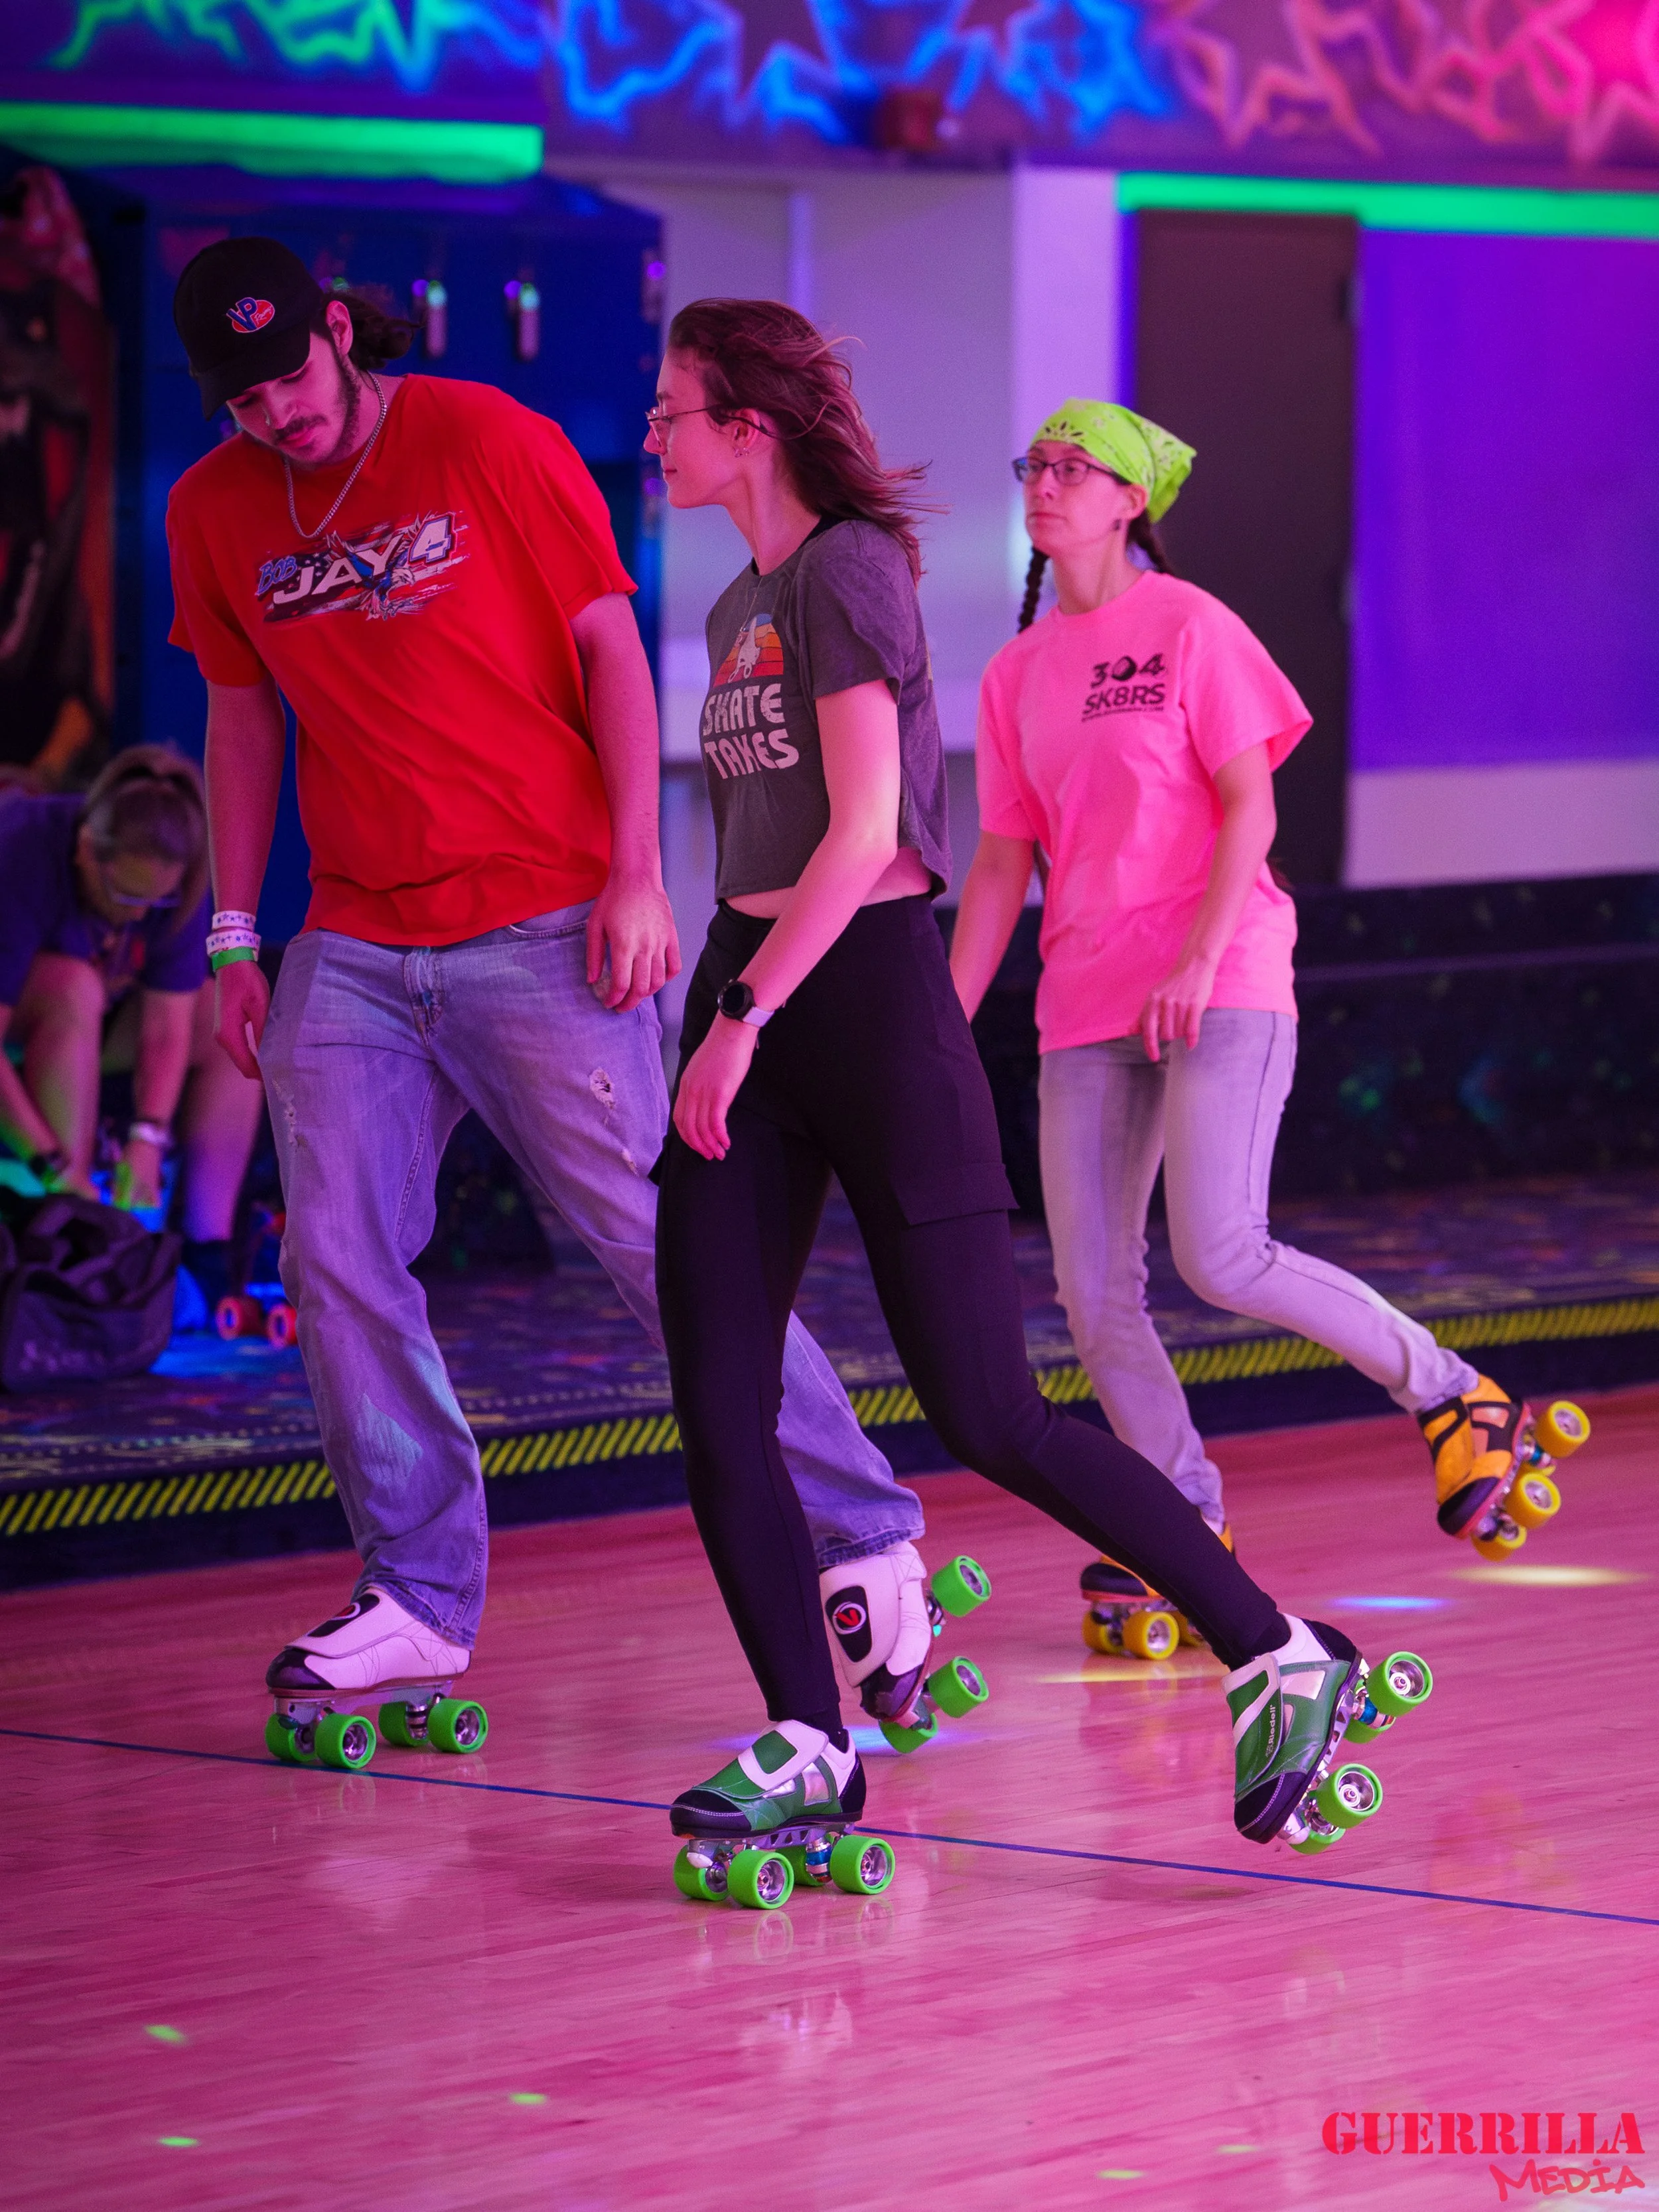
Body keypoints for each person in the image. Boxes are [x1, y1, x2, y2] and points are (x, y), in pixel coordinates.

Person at [648, 301, 1398, 1856]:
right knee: (717, 1399)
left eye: (672, 410)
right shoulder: (737, 606)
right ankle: (810, 1737)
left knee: (987, 1410)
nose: (651, 434)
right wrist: (731, 1006)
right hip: (752, 992)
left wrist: (742, 1017)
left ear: (746, 428)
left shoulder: (851, 567)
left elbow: (870, 831)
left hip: (850, 998)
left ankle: (1273, 1648)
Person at [163, 236, 934, 1727]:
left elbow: (610, 651)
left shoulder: (487, 438)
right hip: (354, 942)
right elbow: (241, 719)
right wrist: (236, 934)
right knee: (334, 1260)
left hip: (544, 919)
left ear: (339, 333)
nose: (277, 415)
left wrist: (636, 870)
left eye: (290, 378)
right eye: (242, 401)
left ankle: (863, 1527)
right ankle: (417, 1591)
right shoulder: (212, 507)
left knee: (664, 1247)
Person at [950, 397, 1512, 1588]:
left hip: (1222, 974)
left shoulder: (1191, 625)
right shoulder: (1014, 674)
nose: (1044, 482)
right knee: (1092, 1296)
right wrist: (941, 1024)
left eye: (1073, 467)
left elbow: (1250, 806)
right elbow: (1001, 863)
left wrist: (1199, 960)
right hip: (1087, 1000)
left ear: (1130, 499)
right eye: (1034, 464)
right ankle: (1185, 1520)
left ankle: (1454, 1393)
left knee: (1222, 1252)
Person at [0, 746, 263, 1300]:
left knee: (228, 1024)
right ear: (86, 850)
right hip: (30, 1028)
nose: (141, 915)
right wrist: (51, 1164)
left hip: (95, 1026)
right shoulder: (22, 847)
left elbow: (168, 1026)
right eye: (126, 895)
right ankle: (71, 1232)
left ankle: (206, 1261)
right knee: (74, 985)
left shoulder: (176, 886)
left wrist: (149, 1136)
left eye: (156, 902)